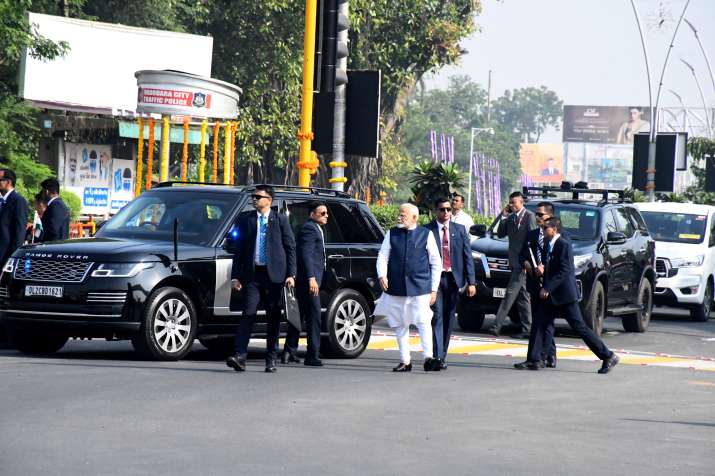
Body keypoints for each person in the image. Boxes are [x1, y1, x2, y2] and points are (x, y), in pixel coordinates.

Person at [520, 217, 620, 374]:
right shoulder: (548, 244)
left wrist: (547, 287)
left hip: (565, 295)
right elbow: (551, 267)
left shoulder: (563, 245)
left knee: (579, 327)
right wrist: (541, 270)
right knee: (539, 323)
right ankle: (535, 359)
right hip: (550, 296)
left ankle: (608, 356)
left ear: (554, 229)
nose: (543, 230)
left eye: (546, 227)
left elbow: (565, 270)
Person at [226, 185, 297, 374]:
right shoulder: (247, 220)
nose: (254, 199)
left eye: (258, 196)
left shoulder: (280, 220)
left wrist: (291, 275)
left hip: (275, 277)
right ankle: (240, 356)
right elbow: (239, 251)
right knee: (248, 314)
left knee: (273, 318)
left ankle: (271, 358)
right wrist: (235, 277)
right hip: (253, 276)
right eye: (253, 196)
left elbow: (290, 248)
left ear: (269, 200)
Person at [374, 203, 442, 372]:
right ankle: (405, 361)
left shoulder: (426, 235)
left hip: (420, 287)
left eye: (404, 214)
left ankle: (428, 358)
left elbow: (436, 263)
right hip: (396, 287)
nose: (400, 216)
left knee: (423, 322)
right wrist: (382, 275)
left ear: (414, 217)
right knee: (399, 324)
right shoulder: (392, 233)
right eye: (400, 213)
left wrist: (434, 288)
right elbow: (382, 256)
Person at [426, 198, 476, 370]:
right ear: (436, 211)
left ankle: (443, 355)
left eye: (448, 209)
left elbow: (467, 256)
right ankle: (437, 356)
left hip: (454, 279)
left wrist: (471, 282)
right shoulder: (427, 230)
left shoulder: (460, 230)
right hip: (435, 280)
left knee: (448, 318)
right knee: (437, 316)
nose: (446, 212)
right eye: (442, 209)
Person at [515, 202, 557, 369]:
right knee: (540, 321)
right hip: (534, 283)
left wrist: (544, 267)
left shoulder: (556, 236)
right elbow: (522, 255)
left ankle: (544, 356)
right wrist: (527, 265)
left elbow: (560, 261)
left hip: (549, 285)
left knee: (546, 321)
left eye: (541, 215)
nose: (538, 218)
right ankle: (545, 355)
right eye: (536, 214)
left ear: (550, 217)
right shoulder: (532, 235)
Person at [489, 191, 537, 338]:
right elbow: (500, 233)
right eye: (510, 203)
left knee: (509, 295)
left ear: (521, 202)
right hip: (514, 262)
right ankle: (528, 328)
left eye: (514, 203)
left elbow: (533, 241)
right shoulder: (510, 218)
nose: (511, 205)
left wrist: (528, 261)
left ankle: (496, 326)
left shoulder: (529, 216)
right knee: (523, 297)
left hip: (523, 264)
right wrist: (503, 216)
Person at [287, 201, 328, 367]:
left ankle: (289, 351)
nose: (326, 216)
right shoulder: (309, 229)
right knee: (314, 317)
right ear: (312, 214)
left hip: (308, 280)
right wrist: (312, 278)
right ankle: (312, 355)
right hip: (308, 281)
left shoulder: (315, 228)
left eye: (326, 213)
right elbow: (306, 254)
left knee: (300, 314)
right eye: (322, 213)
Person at [0, 168, 29, 267]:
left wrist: (12, 257)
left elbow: (19, 232)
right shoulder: (2, 200)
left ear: (8, 182)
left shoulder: (18, 201)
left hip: (5, 257)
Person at [38, 177, 70, 242]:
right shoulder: (56, 204)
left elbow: (52, 230)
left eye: (42, 191)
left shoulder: (56, 205)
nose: (42, 194)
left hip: (54, 247)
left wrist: (37, 234)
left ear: (46, 191)